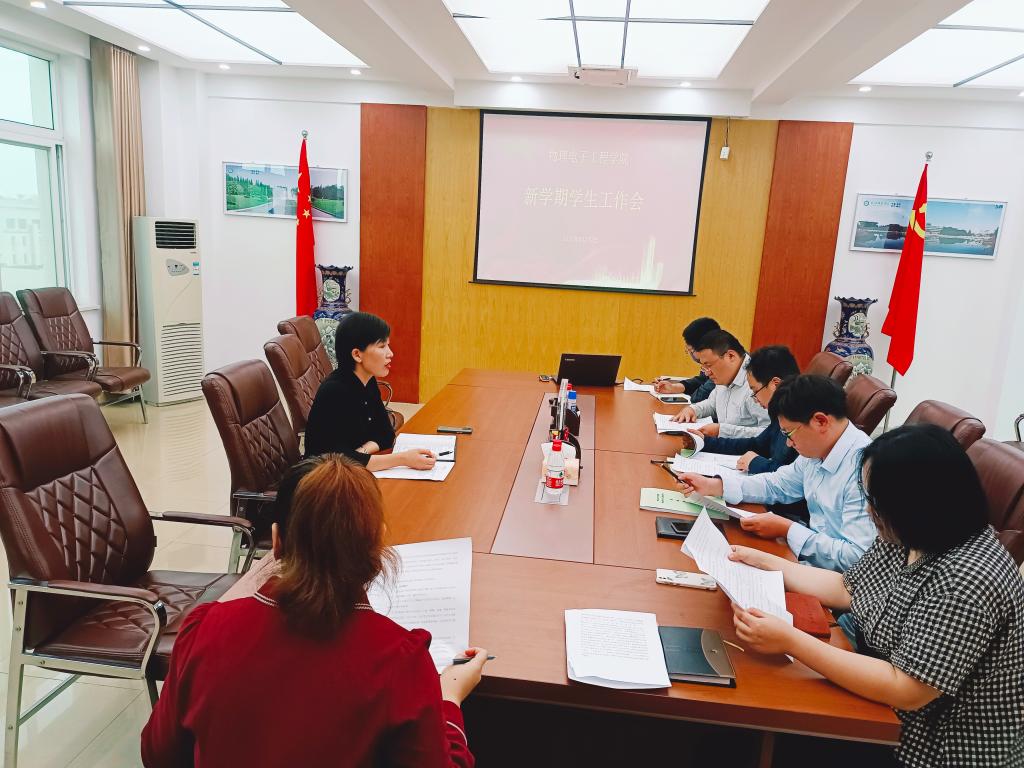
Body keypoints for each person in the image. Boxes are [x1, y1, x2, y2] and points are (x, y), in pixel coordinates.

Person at [142, 455, 490, 767]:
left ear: (277, 541)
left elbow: (158, 754)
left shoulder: (205, 628)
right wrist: (449, 699)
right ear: (377, 545)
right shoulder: (400, 660)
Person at [728, 425, 1024, 767]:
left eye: (877, 502)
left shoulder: (968, 578)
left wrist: (790, 641)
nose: (869, 511)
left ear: (920, 503)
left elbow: (906, 689)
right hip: (880, 705)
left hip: (927, 747)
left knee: (759, 732)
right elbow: (847, 588)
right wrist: (766, 562)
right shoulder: (912, 532)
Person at [678, 375, 875, 572]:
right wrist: (716, 486)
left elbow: (856, 558)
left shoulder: (865, 470)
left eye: (789, 434)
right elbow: (778, 484)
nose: (788, 443)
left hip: (836, 580)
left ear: (820, 421)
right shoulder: (819, 449)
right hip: (807, 562)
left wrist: (788, 530)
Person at [303, 312, 435, 471]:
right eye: (382, 346)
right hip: (320, 479)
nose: (390, 354)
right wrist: (403, 459)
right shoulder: (335, 392)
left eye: (388, 345)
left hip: (350, 473)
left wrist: (361, 452)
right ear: (357, 355)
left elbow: (386, 434)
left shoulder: (367, 380)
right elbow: (338, 461)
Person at [699, 344, 800, 474]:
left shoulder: (802, 420)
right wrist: (705, 442)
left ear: (775, 384)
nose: (754, 398)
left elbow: (794, 476)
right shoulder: (780, 413)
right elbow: (758, 444)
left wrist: (755, 463)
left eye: (755, 391)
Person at [669, 330, 769, 439]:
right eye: (704, 367)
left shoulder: (759, 382)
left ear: (731, 356)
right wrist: (693, 409)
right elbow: (712, 404)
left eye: (709, 365)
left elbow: (770, 434)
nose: (707, 373)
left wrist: (723, 431)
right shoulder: (725, 376)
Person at [653, 316, 719, 403]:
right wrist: (674, 387)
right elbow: (702, 380)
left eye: (690, 350)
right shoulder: (714, 359)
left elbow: (699, 398)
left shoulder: (722, 367)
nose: (690, 354)